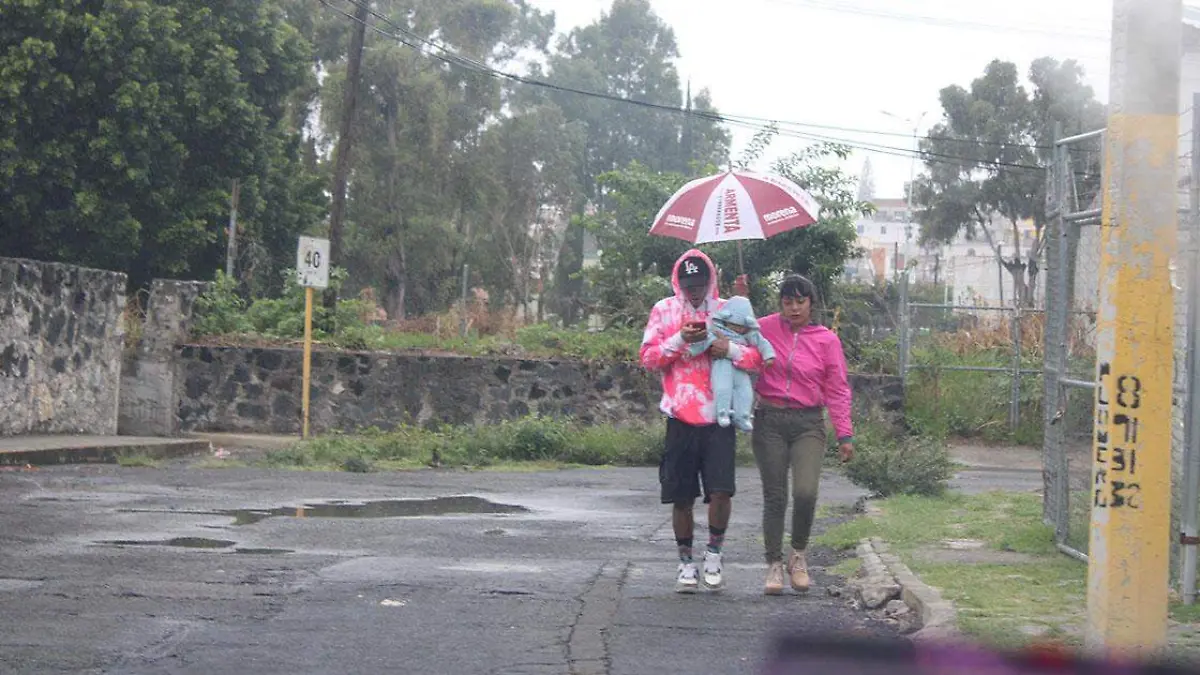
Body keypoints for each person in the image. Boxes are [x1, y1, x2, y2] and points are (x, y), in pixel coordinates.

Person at [640, 249, 763, 593]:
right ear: (677, 282)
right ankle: (685, 563)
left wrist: (730, 350)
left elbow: (757, 357)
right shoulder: (663, 310)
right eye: (688, 284)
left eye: (700, 283)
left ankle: (714, 553)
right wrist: (680, 340)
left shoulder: (728, 310)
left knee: (721, 492)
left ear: (711, 280)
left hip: (719, 417)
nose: (695, 290)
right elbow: (648, 358)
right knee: (681, 497)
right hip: (679, 416)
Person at [751, 274, 854, 596]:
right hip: (769, 420)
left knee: (806, 492)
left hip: (808, 422)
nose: (794, 308)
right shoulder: (764, 327)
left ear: (811, 303)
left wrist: (844, 434)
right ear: (780, 304)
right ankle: (773, 564)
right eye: (787, 302)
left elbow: (836, 388)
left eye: (800, 301)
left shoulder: (826, 340)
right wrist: (740, 298)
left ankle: (798, 555)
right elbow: (733, 335)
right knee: (775, 495)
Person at [686, 295, 776, 431]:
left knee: (745, 391)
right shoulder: (716, 331)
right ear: (725, 321)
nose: (738, 329)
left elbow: (762, 343)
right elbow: (704, 342)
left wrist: (769, 356)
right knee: (722, 388)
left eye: (741, 326)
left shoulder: (750, 335)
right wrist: (692, 351)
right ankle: (722, 412)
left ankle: (743, 416)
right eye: (734, 325)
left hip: (740, 369)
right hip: (722, 365)